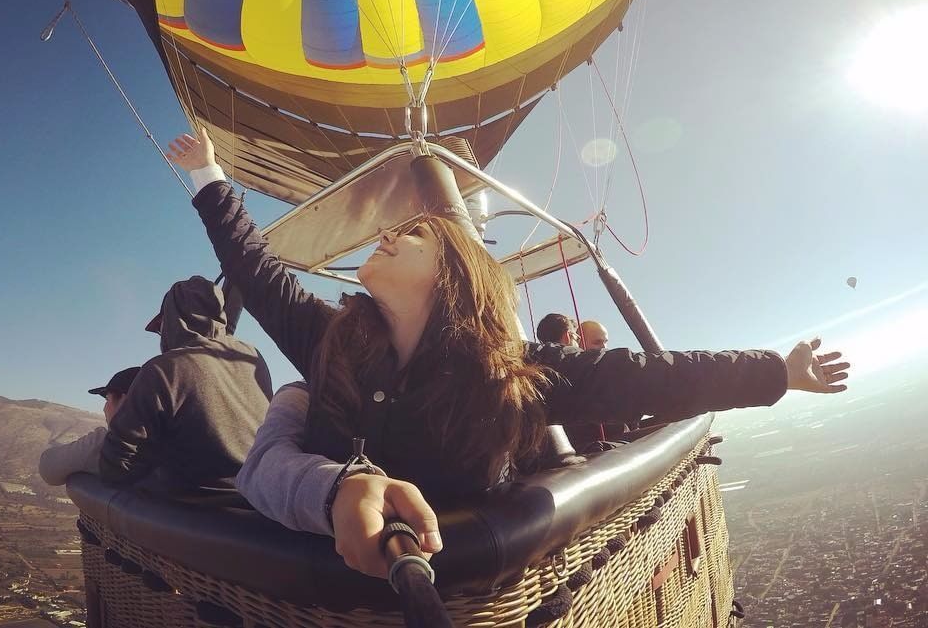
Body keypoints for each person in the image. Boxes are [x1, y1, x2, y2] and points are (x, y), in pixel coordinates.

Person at [167, 128, 850, 578]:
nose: (383, 237)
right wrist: (208, 178)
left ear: (452, 271)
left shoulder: (514, 374)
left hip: (471, 590)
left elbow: (655, 379)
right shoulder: (330, 341)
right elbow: (258, 273)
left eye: (409, 233)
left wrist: (777, 371)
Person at [38, 276, 273, 492]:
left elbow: (117, 468)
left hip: (196, 509)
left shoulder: (165, 368)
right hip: (255, 497)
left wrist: (116, 430)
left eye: (161, 327)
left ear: (173, 319)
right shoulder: (252, 356)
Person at [38, 366, 140, 486]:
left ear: (124, 401)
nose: (104, 408)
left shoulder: (111, 444)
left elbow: (48, 468)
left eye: (107, 399)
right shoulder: (164, 441)